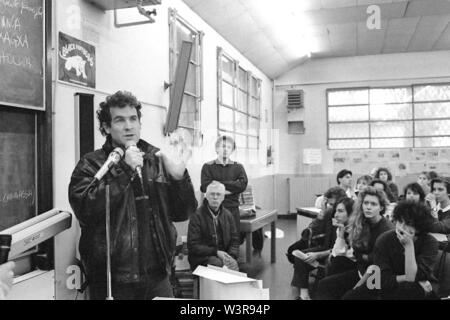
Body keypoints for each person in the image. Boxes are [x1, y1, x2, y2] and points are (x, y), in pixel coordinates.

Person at [68, 91, 198, 300]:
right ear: (107, 128)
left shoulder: (156, 158)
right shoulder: (91, 164)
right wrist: (124, 169)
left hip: (158, 276)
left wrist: (179, 178)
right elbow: (85, 210)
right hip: (113, 280)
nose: (128, 126)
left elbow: (184, 212)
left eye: (133, 119)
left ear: (139, 123)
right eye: (119, 120)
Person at [342, 201, 439, 300]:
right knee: (350, 296)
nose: (402, 227)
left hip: (414, 288)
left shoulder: (429, 242)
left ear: (418, 227)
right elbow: (383, 279)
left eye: (408, 224)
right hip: (387, 283)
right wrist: (403, 277)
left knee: (408, 289)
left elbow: (412, 278)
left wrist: (409, 247)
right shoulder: (385, 239)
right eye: (400, 222)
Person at [316, 187, 394, 300]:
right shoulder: (360, 222)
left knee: (348, 297)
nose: (368, 207)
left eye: (373, 204)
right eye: (366, 203)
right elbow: (356, 251)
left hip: (377, 277)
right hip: (361, 270)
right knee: (325, 282)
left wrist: (364, 257)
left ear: (381, 207)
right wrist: (364, 256)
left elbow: (379, 261)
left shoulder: (386, 229)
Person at [288, 186, 347, 300]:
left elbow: (341, 248)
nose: (332, 208)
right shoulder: (329, 213)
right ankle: (304, 294)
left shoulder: (348, 218)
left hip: (338, 254)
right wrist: (321, 215)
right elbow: (310, 230)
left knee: (328, 261)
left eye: (333, 205)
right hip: (325, 248)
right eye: (329, 204)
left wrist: (318, 255)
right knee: (300, 255)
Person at [200, 136, 248, 237]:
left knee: (233, 238)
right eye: (223, 146)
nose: (226, 149)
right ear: (217, 149)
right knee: (214, 239)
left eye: (229, 147)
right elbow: (205, 186)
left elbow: (242, 185)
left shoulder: (238, 167)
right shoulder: (207, 166)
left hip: (232, 208)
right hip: (213, 209)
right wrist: (232, 188)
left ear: (232, 150)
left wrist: (217, 184)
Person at [187, 181, 239, 271]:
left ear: (223, 197)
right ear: (206, 196)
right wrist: (216, 252)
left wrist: (231, 257)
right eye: (212, 194)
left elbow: (234, 241)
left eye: (218, 194)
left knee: (235, 266)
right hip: (201, 258)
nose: (215, 197)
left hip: (223, 255)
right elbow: (193, 246)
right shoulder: (197, 216)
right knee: (218, 264)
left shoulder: (228, 215)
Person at [327, 198, 357, 276]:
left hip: (358, 267)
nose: (336, 215)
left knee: (337, 261)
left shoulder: (357, 229)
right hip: (344, 262)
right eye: (336, 211)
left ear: (351, 213)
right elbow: (337, 252)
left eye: (340, 211)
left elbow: (353, 256)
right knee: (334, 260)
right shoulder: (342, 227)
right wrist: (341, 232)